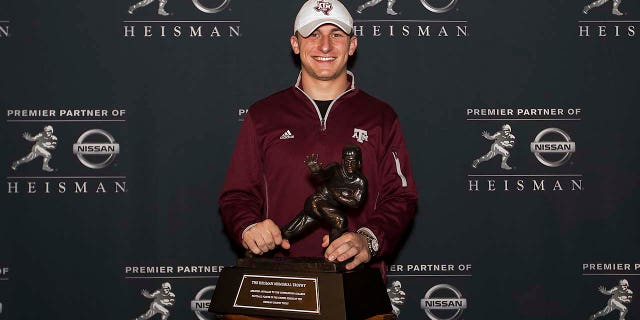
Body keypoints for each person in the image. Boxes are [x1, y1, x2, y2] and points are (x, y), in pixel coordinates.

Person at [219, 0, 417, 274]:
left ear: (352, 45)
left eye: (336, 35)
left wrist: (368, 239)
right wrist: (249, 228)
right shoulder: (263, 115)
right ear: (295, 44)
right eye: (313, 34)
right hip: (278, 284)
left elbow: (401, 198)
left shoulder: (381, 117)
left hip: (356, 283)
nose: (325, 46)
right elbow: (237, 195)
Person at [281, 145, 368, 244]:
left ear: (359, 163)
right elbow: (323, 174)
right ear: (342, 161)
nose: (349, 164)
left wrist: (337, 195)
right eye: (346, 161)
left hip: (328, 208)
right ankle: (334, 249)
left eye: (353, 161)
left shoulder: (360, 182)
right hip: (317, 201)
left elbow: (356, 203)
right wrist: (317, 170)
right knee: (340, 220)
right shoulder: (335, 168)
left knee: (292, 229)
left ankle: (280, 236)